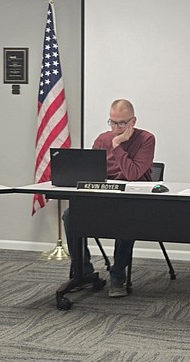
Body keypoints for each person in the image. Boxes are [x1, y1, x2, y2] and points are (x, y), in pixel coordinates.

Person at [62, 99, 155, 298]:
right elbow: (91, 173)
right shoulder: (101, 139)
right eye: (112, 122)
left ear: (133, 121)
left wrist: (117, 145)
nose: (116, 127)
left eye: (121, 123)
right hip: (104, 197)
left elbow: (133, 174)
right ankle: (82, 272)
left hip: (133, 200)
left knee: (128, 219)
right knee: (70, 216)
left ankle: (118, 276)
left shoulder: (146, 139)